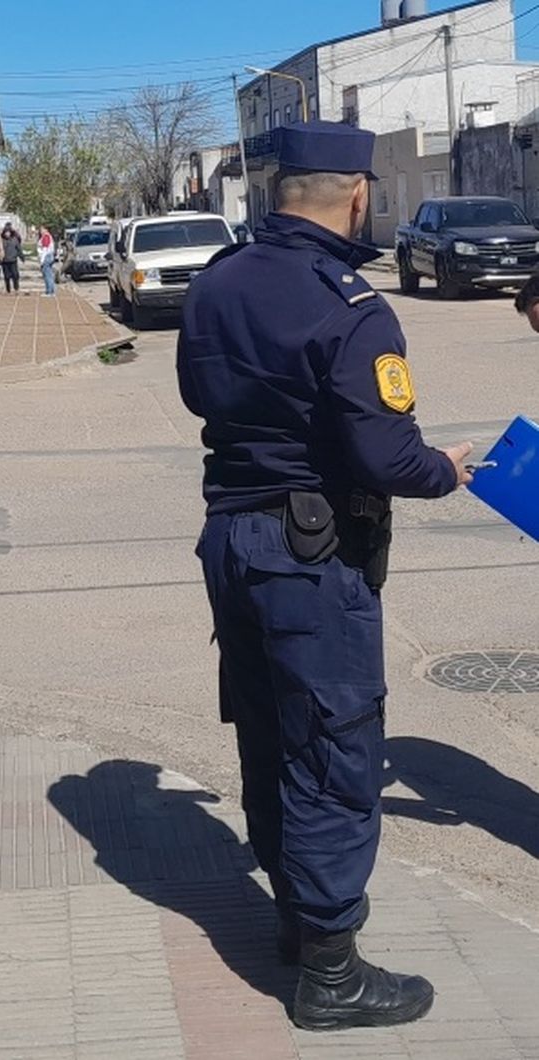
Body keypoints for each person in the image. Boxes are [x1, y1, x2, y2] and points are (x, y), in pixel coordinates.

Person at [176, 121, 474, 1032]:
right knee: (336, 750)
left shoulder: (216, 280)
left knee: (269, 733)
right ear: (355, 194)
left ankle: (293, 921)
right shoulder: (352, 305)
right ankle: (333, 975)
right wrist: (444, 470)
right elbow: (385, 453)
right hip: (311, 558)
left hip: (232, 541)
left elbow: (198, 392)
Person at [0, 223, 25, 293]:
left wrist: (22, 257)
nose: (7, 234)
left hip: (13, 260)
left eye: (8, 232)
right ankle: (8, 288)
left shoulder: (14, 239)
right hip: (4, 261)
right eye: (6, 233)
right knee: (7, 276)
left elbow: (19, 249)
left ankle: (16, 287)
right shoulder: (1, 240)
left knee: (15, 275)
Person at [37, 225, 57, 296]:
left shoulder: (46, 236)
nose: (40, 231)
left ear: (46, 230)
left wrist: (42, 260)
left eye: (42, 229)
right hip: (48, 256)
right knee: (49, 274)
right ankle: (51, 291)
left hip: (47, 257)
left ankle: (49, 291)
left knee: (47, 274)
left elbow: (45, 249)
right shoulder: (47, 236)